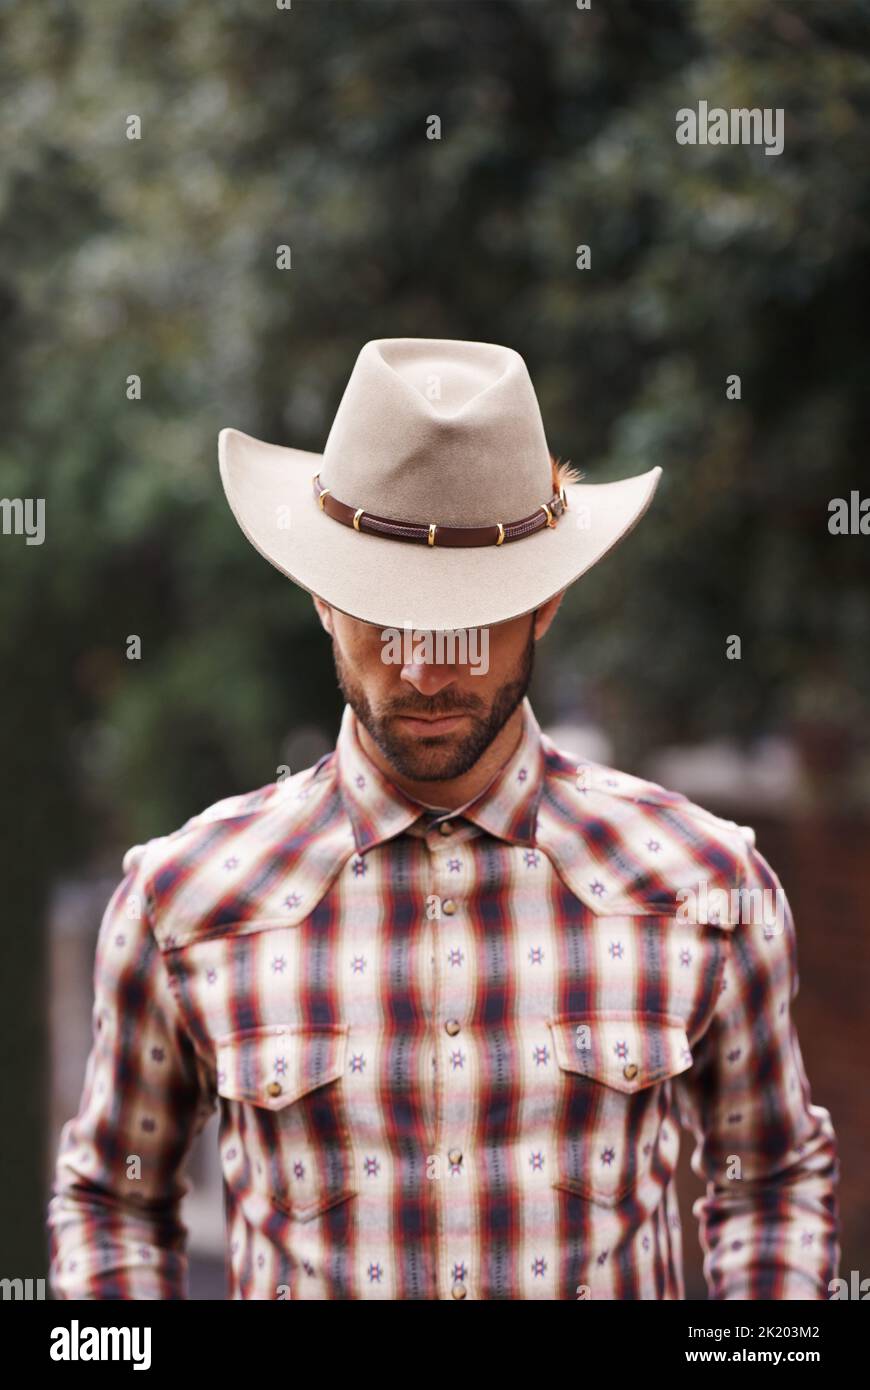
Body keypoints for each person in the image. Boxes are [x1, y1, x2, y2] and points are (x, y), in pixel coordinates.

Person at [47, 337, 840, 1300]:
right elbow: (114, 1203)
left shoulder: (707, 888)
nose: (425, 670)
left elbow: (770, 1180)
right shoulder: (182, 902)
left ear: (546, 601)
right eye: (386, 616)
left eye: (470, 617)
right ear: (322, 595)